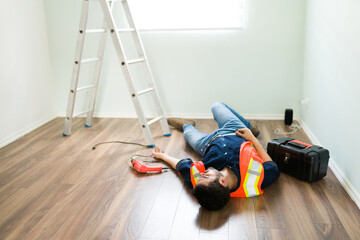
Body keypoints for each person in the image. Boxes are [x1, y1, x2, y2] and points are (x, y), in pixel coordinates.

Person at [152, 102, 280, 210]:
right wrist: (252, 138)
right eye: (206, 175)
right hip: (235, 131)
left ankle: (187, 124)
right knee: (216, 106)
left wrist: (163, 157)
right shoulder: (254, 181)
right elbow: (272, 166)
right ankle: (248, 127)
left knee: (188, 133)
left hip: (206, 143)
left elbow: (180, 165)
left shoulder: (202, 185)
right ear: (223, 181)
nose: (202, 173)